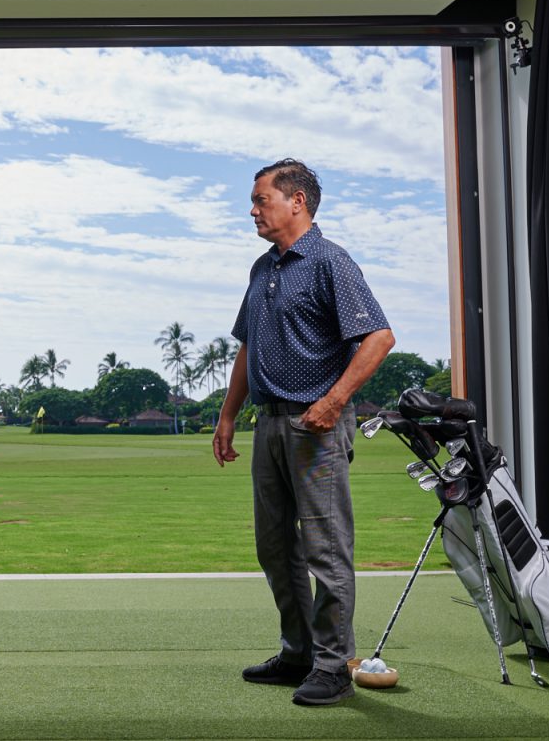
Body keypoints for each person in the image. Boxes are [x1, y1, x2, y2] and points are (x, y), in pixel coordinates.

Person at [212, 159, 395, 707]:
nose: (252, 210)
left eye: (260, 199)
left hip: (317, 428)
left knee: (325, 547)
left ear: (297, 202)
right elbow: (248, 345)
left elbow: (379, 338)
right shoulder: (262, 269)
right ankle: (299, 653)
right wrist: (227, 416)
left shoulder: (330, 262)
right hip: (269, 423)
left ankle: (334, 665)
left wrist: (334, 401)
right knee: (274, 546)